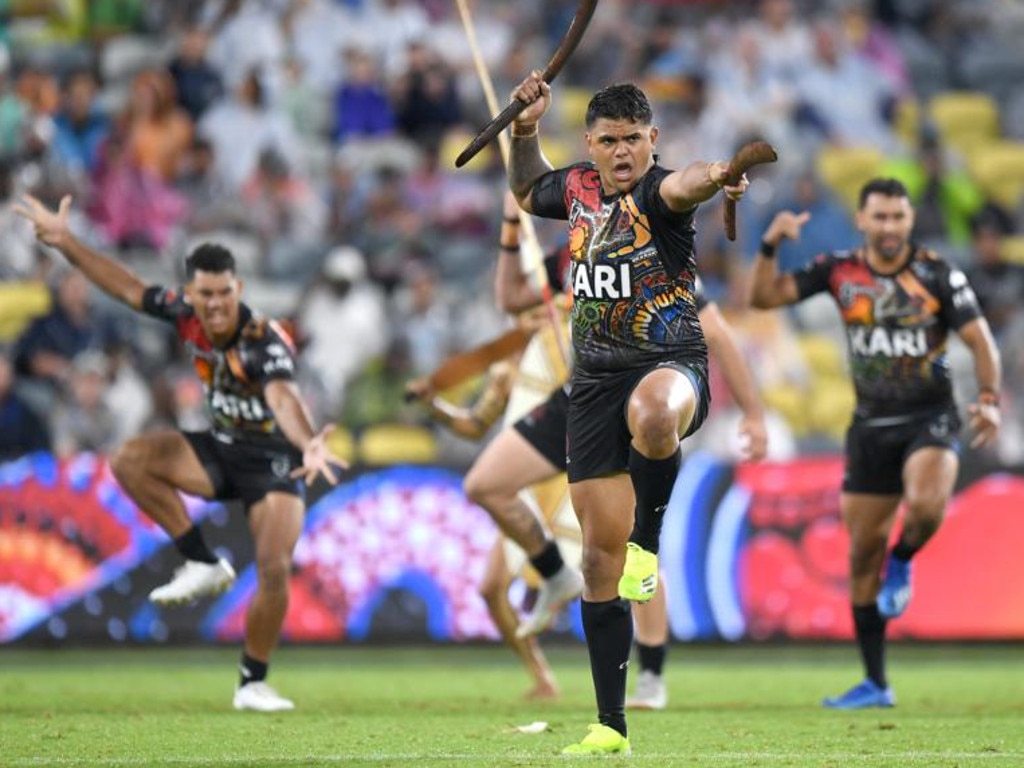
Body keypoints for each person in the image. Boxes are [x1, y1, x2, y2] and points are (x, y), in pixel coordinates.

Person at [15, 194, 344, 713]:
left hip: (274, 458)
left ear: (237, 289)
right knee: (128, 458)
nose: (213, 304)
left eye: (223, 294)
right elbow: (125, 286)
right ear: (191, 291)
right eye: (205, 294)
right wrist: (66, 243)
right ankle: (200, 559)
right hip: (221, 447)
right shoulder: (182, 310)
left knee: (274, 568)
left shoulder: (263, 339)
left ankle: (252, 683)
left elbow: (282, 396)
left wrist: (308, 442)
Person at [506, 76, 748, 755]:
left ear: (653, 141)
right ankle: (610, 725)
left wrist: (720, 173)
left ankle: (650, 541)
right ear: (590, 143)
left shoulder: (662, 193)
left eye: (633, 140)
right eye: (608, 141)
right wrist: (524, 130)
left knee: (654, 414)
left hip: (672, 365)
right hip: (592, 386)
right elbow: (527, 192)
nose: (621, 153)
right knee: (595, 566)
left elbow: (691, 183)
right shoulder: (577, 190)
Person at [747, 178, 1001, 709]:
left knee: (928, 504)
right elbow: (762, 297)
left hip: (929, 416)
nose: (889, 227)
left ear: (910, 222)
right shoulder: (839, 270)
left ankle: (904, 557)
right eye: (880, 217)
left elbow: (979, 340)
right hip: (869, 427)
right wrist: (770, 245)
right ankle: (875, 682)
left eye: (898, 218)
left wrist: (991, 397)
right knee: (862, 554)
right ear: (862, 221)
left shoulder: (936, 273)